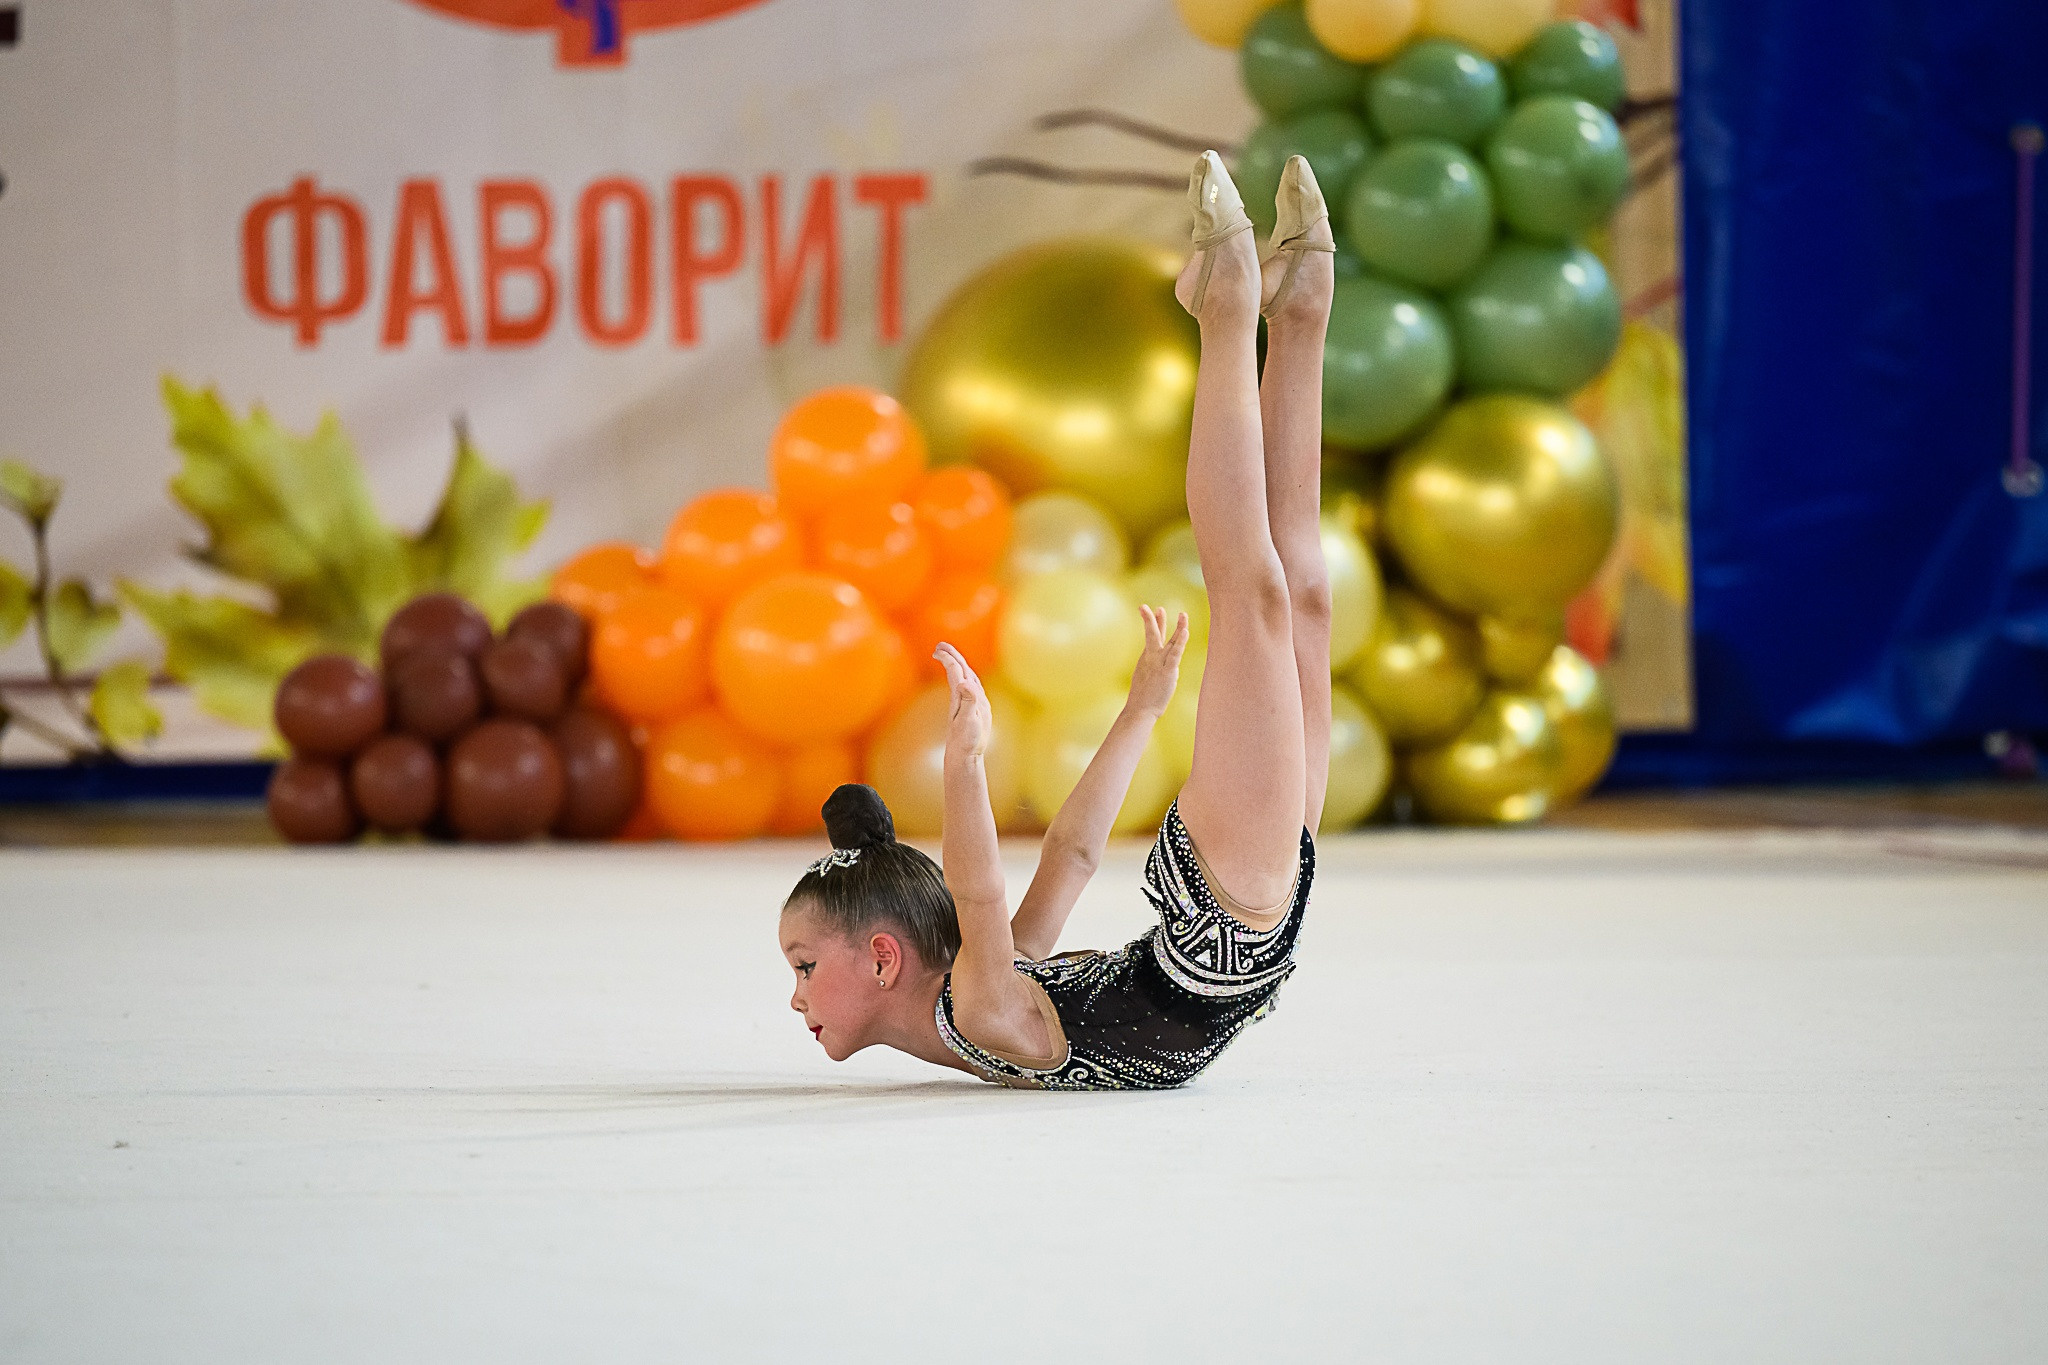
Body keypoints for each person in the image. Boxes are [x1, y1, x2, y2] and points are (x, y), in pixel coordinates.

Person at [777, 151, 1336, 1090]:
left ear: (883, 958)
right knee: (1300, 600)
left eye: (802, 966)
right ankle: (1304, 310)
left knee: (1263, 595)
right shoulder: (1000, 973)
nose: (794, 997)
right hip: (1238, 931)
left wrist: (964, 766)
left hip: (1229, 925)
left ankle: (1231, 307)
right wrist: (1140, 713)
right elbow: (1071, 854)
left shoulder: (981, 1007)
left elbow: (982, 888)